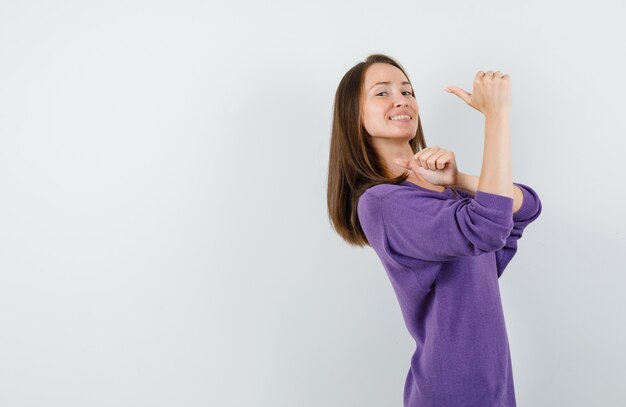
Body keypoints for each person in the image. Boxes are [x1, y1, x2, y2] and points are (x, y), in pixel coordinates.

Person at [326, 54, 542, 406]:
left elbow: (526, 207)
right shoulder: (381, 203)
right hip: (452, 393)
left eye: (408, 91)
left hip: (495, 390)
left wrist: (459, 180)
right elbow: (489, 226)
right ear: (354, 115)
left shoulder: (449, 192)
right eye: (382, 93)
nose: (402, 100)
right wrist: (497, 117)